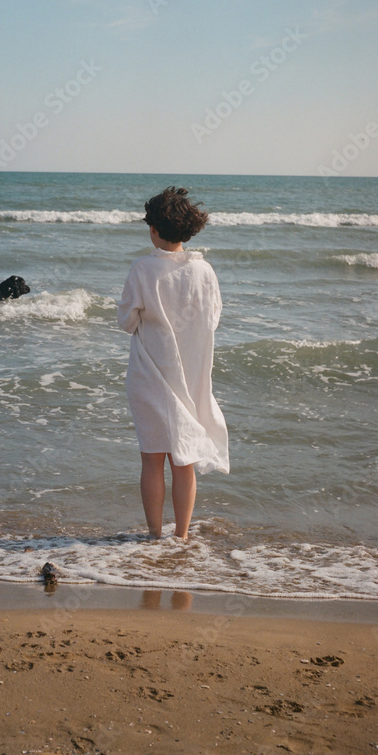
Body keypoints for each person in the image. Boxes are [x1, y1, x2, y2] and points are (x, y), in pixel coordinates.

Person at [117, 187, 229, 540]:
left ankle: (154, 536)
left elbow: (127, 322)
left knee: (152, 459)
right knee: (185, 460)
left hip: (149, 372)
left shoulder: (142, 269)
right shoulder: (204, 271)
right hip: (190, 375)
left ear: (153, 229)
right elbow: (213, 319)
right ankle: (181, 538)